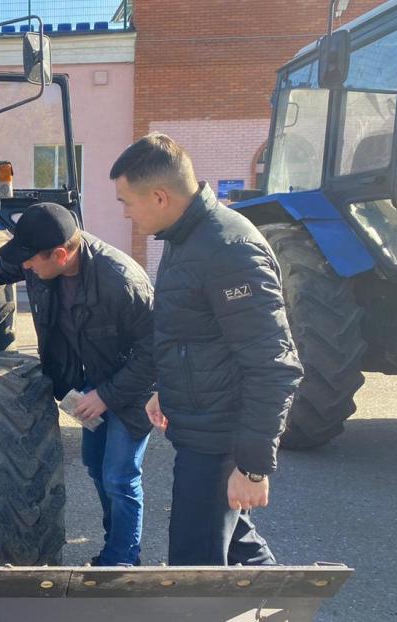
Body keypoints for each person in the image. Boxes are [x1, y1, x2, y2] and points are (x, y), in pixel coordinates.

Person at [0, 202, 155, 566]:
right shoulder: (41, 259)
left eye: (31, 262)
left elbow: (156, 352)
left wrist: (107, 395)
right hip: (89, 380)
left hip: (130, 387)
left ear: (62, 254)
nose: (26, 268)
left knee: (120, 475)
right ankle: (116, 544)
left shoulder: (122, 281)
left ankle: (123, 559)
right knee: (97, 466)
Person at [109, 133, 303, 566]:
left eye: (126, 201)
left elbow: (274, 365)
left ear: (159, 196)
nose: (125, 212)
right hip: (201, 428)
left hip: (219, 442)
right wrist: (168, 390)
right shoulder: (186, 239)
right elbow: (193, 336)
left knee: (194, 570)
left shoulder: (229, 251)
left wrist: (253, 467)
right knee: (238, 549)